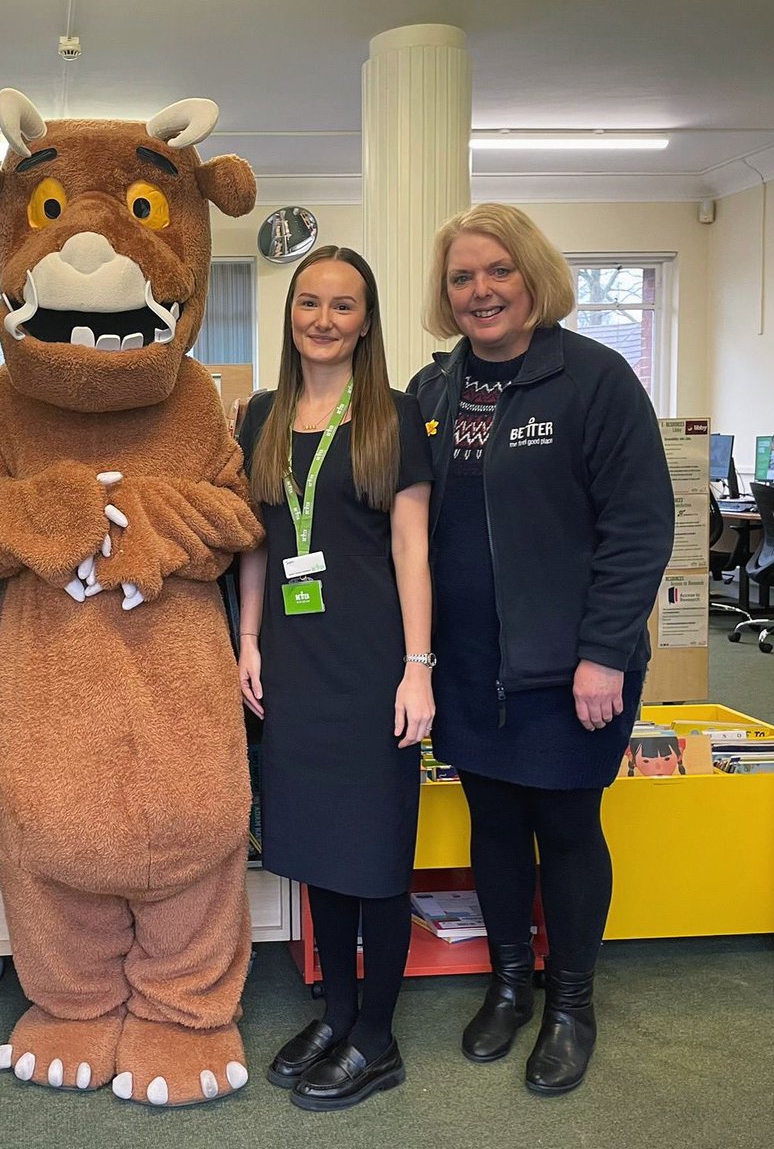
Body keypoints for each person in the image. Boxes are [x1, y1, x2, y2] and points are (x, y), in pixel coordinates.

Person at [408, 202, 674, 1095]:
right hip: (470, 663)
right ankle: (510, 984)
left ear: (532, 276)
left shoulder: (594, 379)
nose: (480, 292)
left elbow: (639, 527)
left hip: (571, 668)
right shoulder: (435, 389)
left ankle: (571, 1003)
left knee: (564, 826)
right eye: (461, 278)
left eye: (496, 272)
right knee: (494, 826)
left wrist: (603, 651)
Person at [237, 245, 435, 1111]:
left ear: (367, 320)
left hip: (373, 666)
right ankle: (339, 1012)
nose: (323, 319)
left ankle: (377, 1037)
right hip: (291, 662)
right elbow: (255, 543)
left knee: (377, 854)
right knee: (318, 847)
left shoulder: (393, 415)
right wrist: (246, 638)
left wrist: (418, 669)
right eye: (309, 303)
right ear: (290, 315)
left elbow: (413, 553)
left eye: (343, 306)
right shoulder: (260, 417)